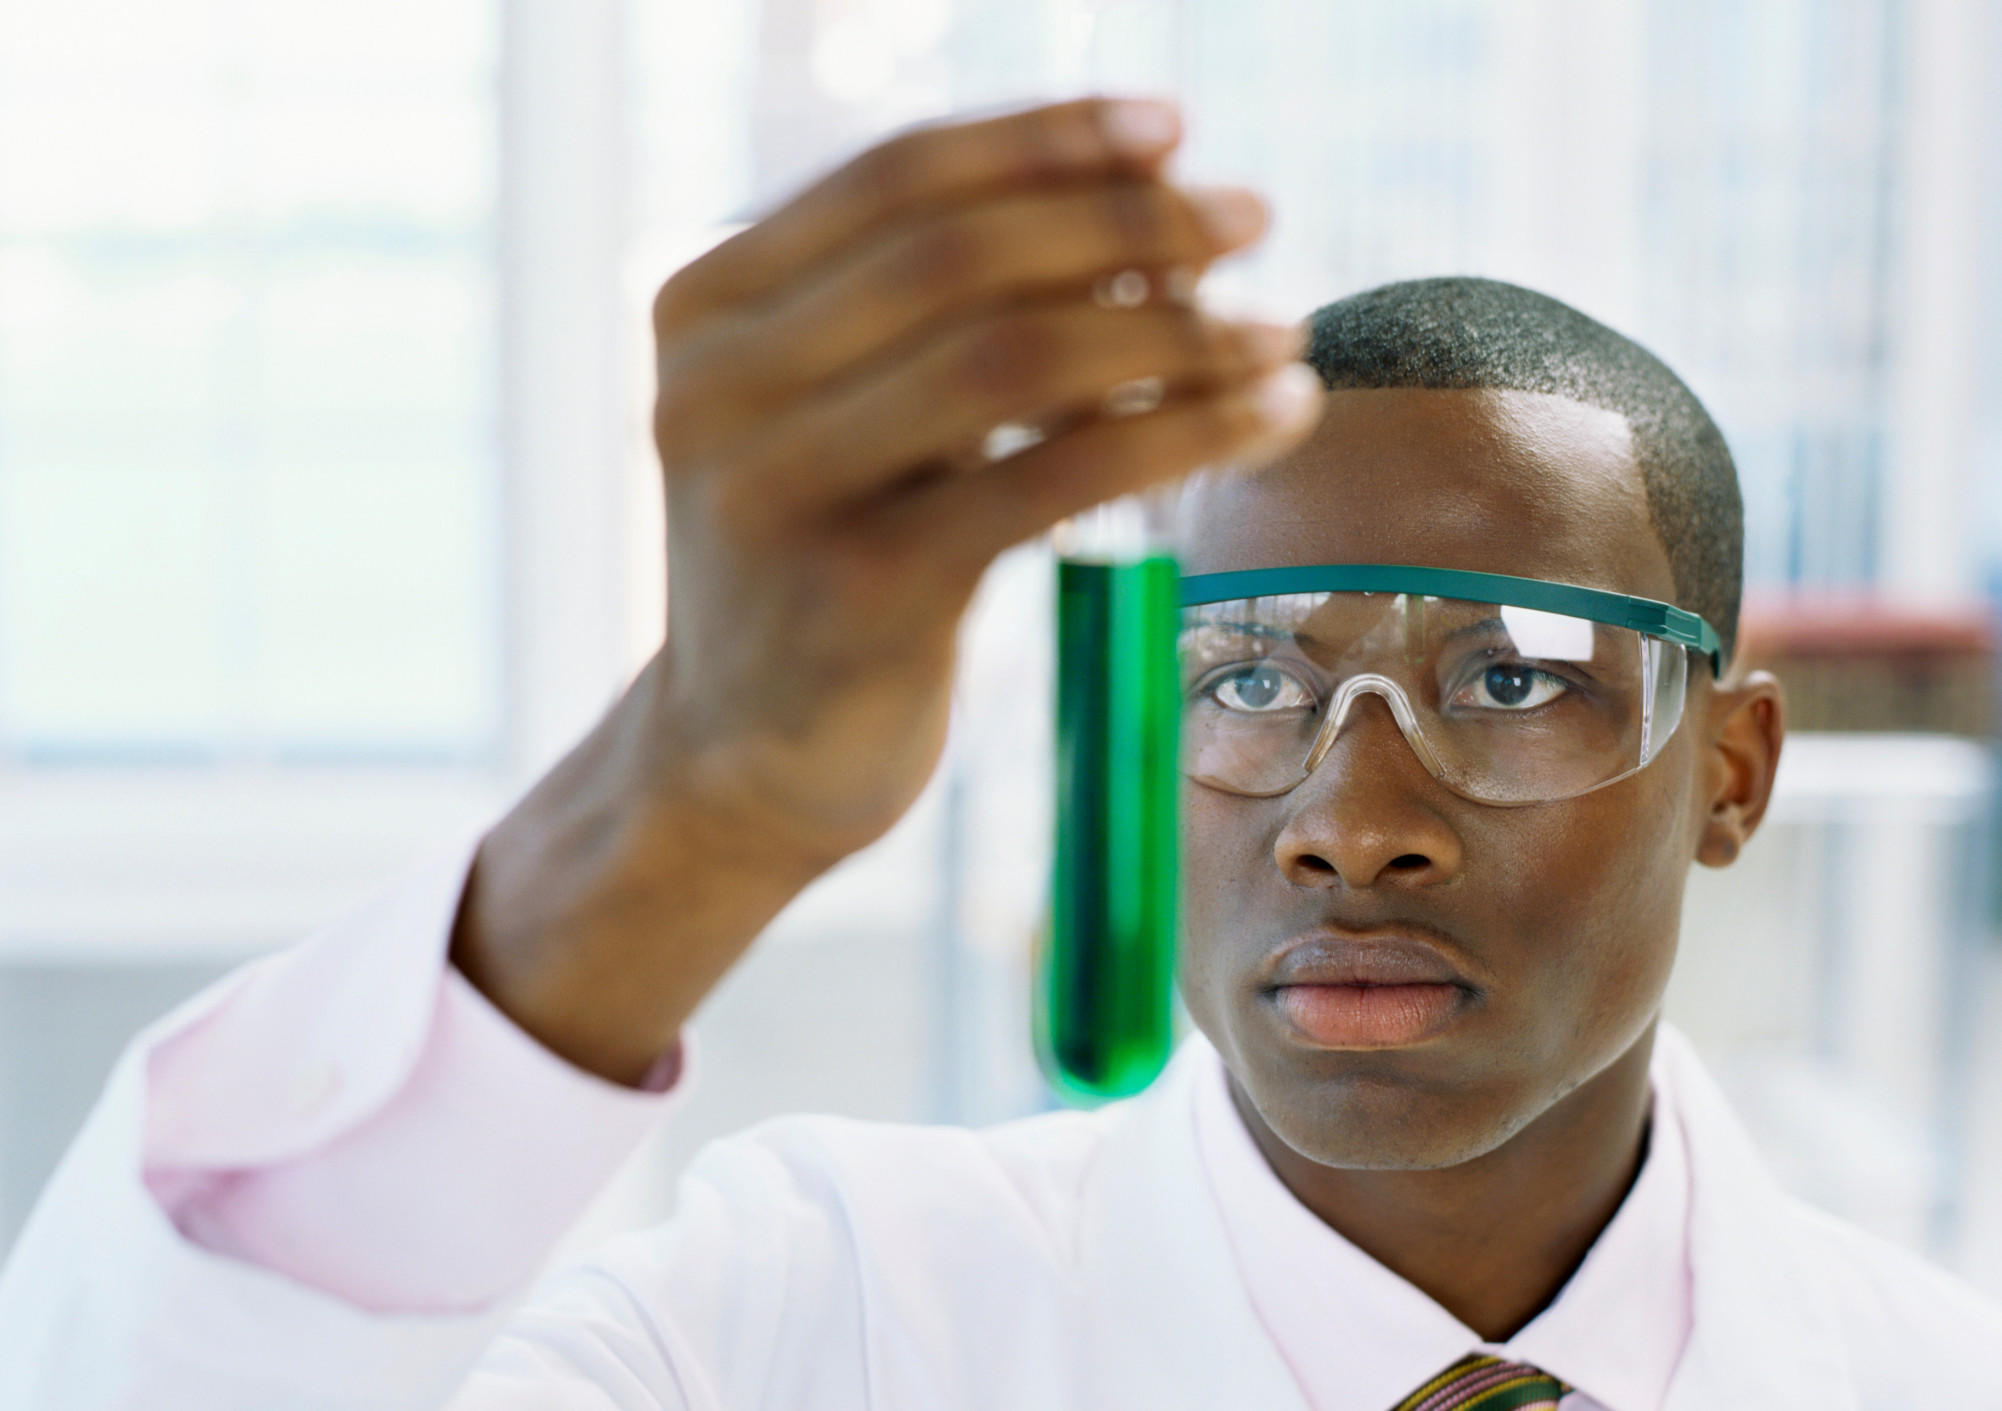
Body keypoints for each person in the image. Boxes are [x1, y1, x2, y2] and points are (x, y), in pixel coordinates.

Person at [0, 97, 1996, 1411]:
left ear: (1728, 767)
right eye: (1240, 678)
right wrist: (689, 805)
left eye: (1504, 680)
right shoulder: (806, 1320)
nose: (1349, 825)